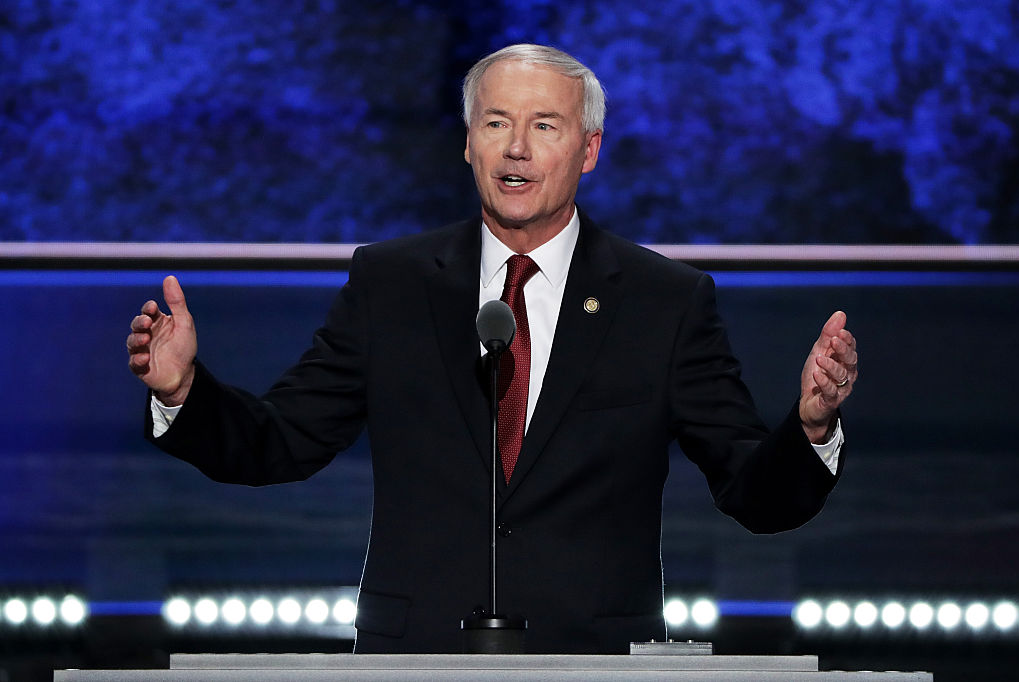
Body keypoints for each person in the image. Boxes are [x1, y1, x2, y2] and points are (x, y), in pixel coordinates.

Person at [126, 44, 858, 654]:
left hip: (594, 661)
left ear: (589, 149)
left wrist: (812, 427)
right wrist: (182, 390)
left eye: (545, 126)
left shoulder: (663, 300)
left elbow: (752, 493)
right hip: (417, 657)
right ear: (469, 142)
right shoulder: (391, 284)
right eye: (497, 122)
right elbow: (280, 442)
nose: (516, 147)